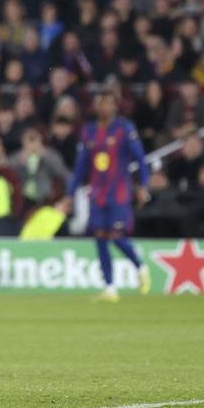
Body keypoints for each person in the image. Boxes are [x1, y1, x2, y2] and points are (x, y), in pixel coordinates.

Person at [67, 91, 151, 302]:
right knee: (100, 238)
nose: (104, 107)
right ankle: (110, 288)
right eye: (100, 103)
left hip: (119, 193)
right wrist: (70, 194)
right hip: (97, 195)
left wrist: (142, 185)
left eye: (108, 103)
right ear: (95, 107)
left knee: (116, 236)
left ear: (115, 107)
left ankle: (140, 266)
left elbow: (140, 159)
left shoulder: (124, 128)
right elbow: (80, 167)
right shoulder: (88, 132)